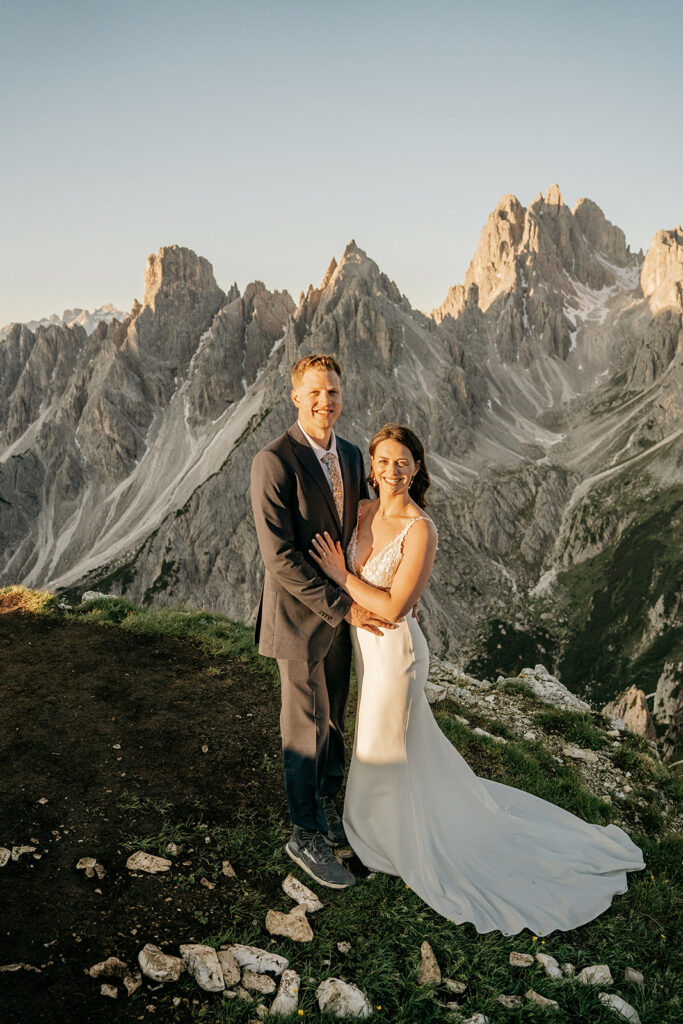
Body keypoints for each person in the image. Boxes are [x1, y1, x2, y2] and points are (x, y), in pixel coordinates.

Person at [309, 422, 646, 935]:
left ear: (417, 468)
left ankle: (385, 844)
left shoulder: (421, 529)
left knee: (383, 745)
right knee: (385, 744)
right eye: (382, 461)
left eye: (402, 462)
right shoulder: (362, 510)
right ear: (370, 467)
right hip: (367, 654)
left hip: (396, 655)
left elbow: (397, 607)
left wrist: (342, 577)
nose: (391, 471)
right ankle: (376, 830)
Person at [250, 354, 395, 890]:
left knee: (335, 718)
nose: (324, 402)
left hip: (343, 620)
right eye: (314, 393)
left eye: (332, 392)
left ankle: (328, 803)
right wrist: (341, 605)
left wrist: (389, 586)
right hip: (298, 620)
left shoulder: (354, 455)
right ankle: (304, 831)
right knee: (303, 727)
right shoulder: (274, 461)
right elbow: (280, 558)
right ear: (295, 396)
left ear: (342, 394)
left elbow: (363, 533)